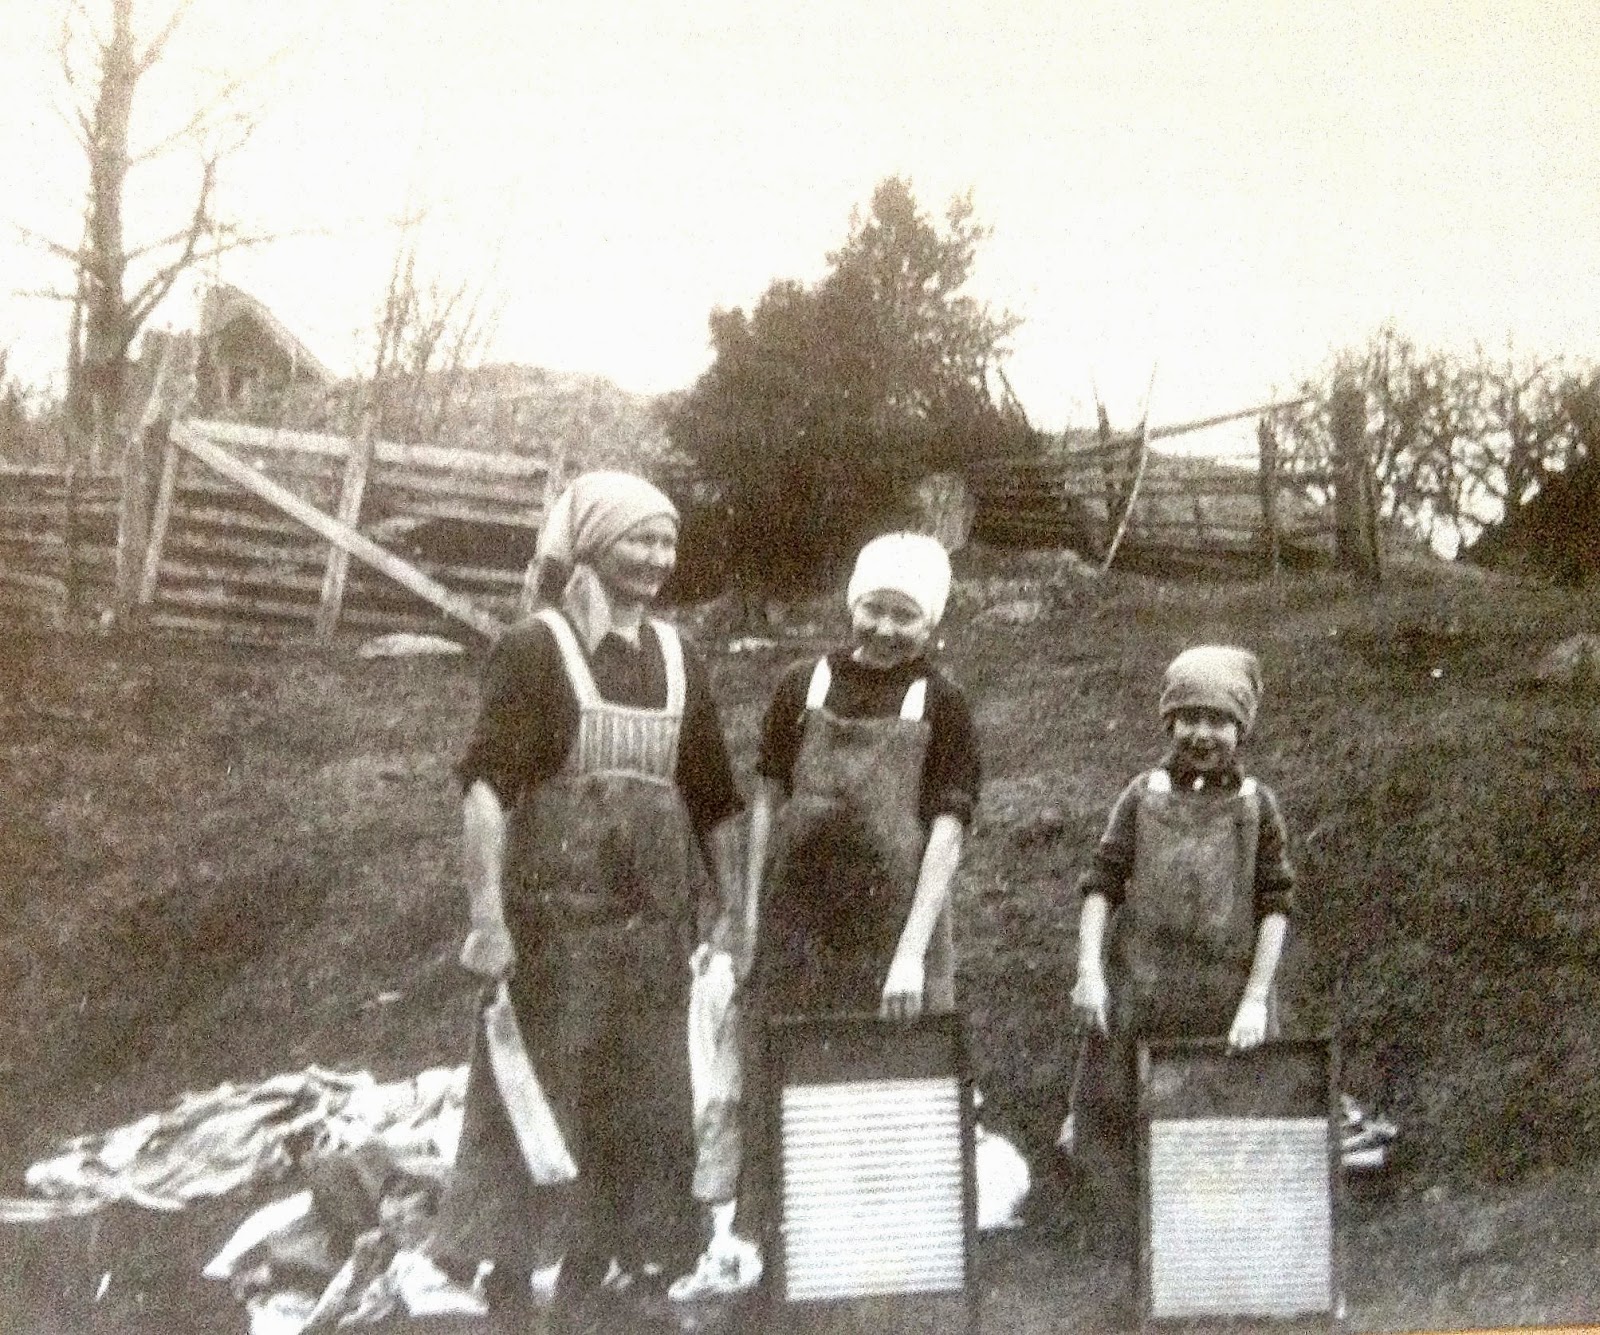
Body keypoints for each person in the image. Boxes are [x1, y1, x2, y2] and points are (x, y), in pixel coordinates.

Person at [431, 470, 744, 1334]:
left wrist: (734, 910)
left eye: (667, 540)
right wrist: (488, 921)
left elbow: (715, 800)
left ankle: (599, 1271)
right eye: (639, 538)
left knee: (642, 1101)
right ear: (595, 546)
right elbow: (486, 790)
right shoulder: (537, 648)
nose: (657, 556)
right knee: (535, 1095)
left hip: (654, 937)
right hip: (553, 935)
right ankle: (508, 1277)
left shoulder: (679, 658)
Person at [735, 531, 981, 1244]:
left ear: (931, 622)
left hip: (891, 931)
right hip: (798, 929)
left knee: (891, 1086)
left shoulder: (942, 702)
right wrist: (750, 920)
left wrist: (910, 955)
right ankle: (787, 1256)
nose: (886, 629)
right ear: (853, 604)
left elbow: (948, 833)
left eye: (906, 615)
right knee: (792, 1084)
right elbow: (765, 804)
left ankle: (892, 1253)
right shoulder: (800, 685)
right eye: (874, 608)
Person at [1064, 643, 1295, 1258]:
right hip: (1141, 996)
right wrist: (1090, 973)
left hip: (1226, 1004)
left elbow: (1275, 907)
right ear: (1169, 721)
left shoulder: (1257, 806)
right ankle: (1131, 1253)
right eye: (1189, 717)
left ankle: (1217, 1254)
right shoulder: (1141, 796)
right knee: (1117, 1118)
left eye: (1219, 720)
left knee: (1227, 1127)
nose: (1202, 734)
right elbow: (1101, 885)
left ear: (1240, 727)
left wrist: (1255, 1000)